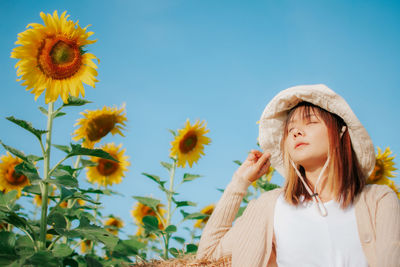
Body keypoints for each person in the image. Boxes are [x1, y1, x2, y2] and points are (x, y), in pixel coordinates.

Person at [196, 84, 400, 267]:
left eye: (310, 123)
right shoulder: (270, 206)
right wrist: (240, 182)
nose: (296, 133)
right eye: (290, 129)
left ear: (341, 133)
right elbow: (208, 255)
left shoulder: (378, 200)